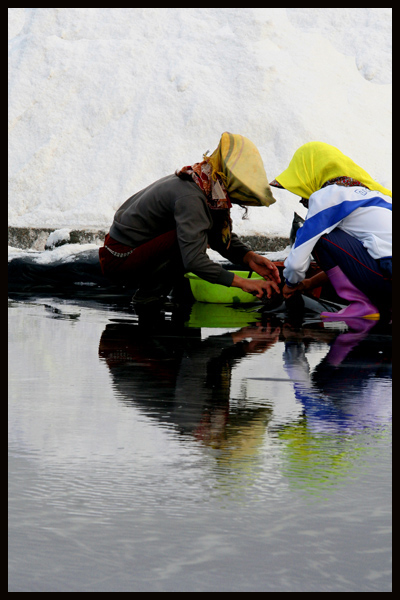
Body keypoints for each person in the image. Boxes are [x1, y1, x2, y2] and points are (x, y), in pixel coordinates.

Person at [99, 132, 281, 310]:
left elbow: (217, 236)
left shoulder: (205, 183)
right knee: (191, 245)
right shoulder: (191, 198)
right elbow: (194, 260)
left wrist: (249, 258)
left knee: (193, 239)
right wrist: (244, 283)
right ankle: (148, 300)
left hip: (138, 250)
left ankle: (176, 302)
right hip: (120, 258)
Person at [269, 142, 392, 319]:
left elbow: (296, 264)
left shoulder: (328, 196)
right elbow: (353, 261)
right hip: (386, 271)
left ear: (312, 173)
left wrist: (290, 284)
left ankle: (364, 305)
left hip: (388, 275)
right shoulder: (374, 196)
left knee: (318, 237)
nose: (301, 199)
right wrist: (310, 282)